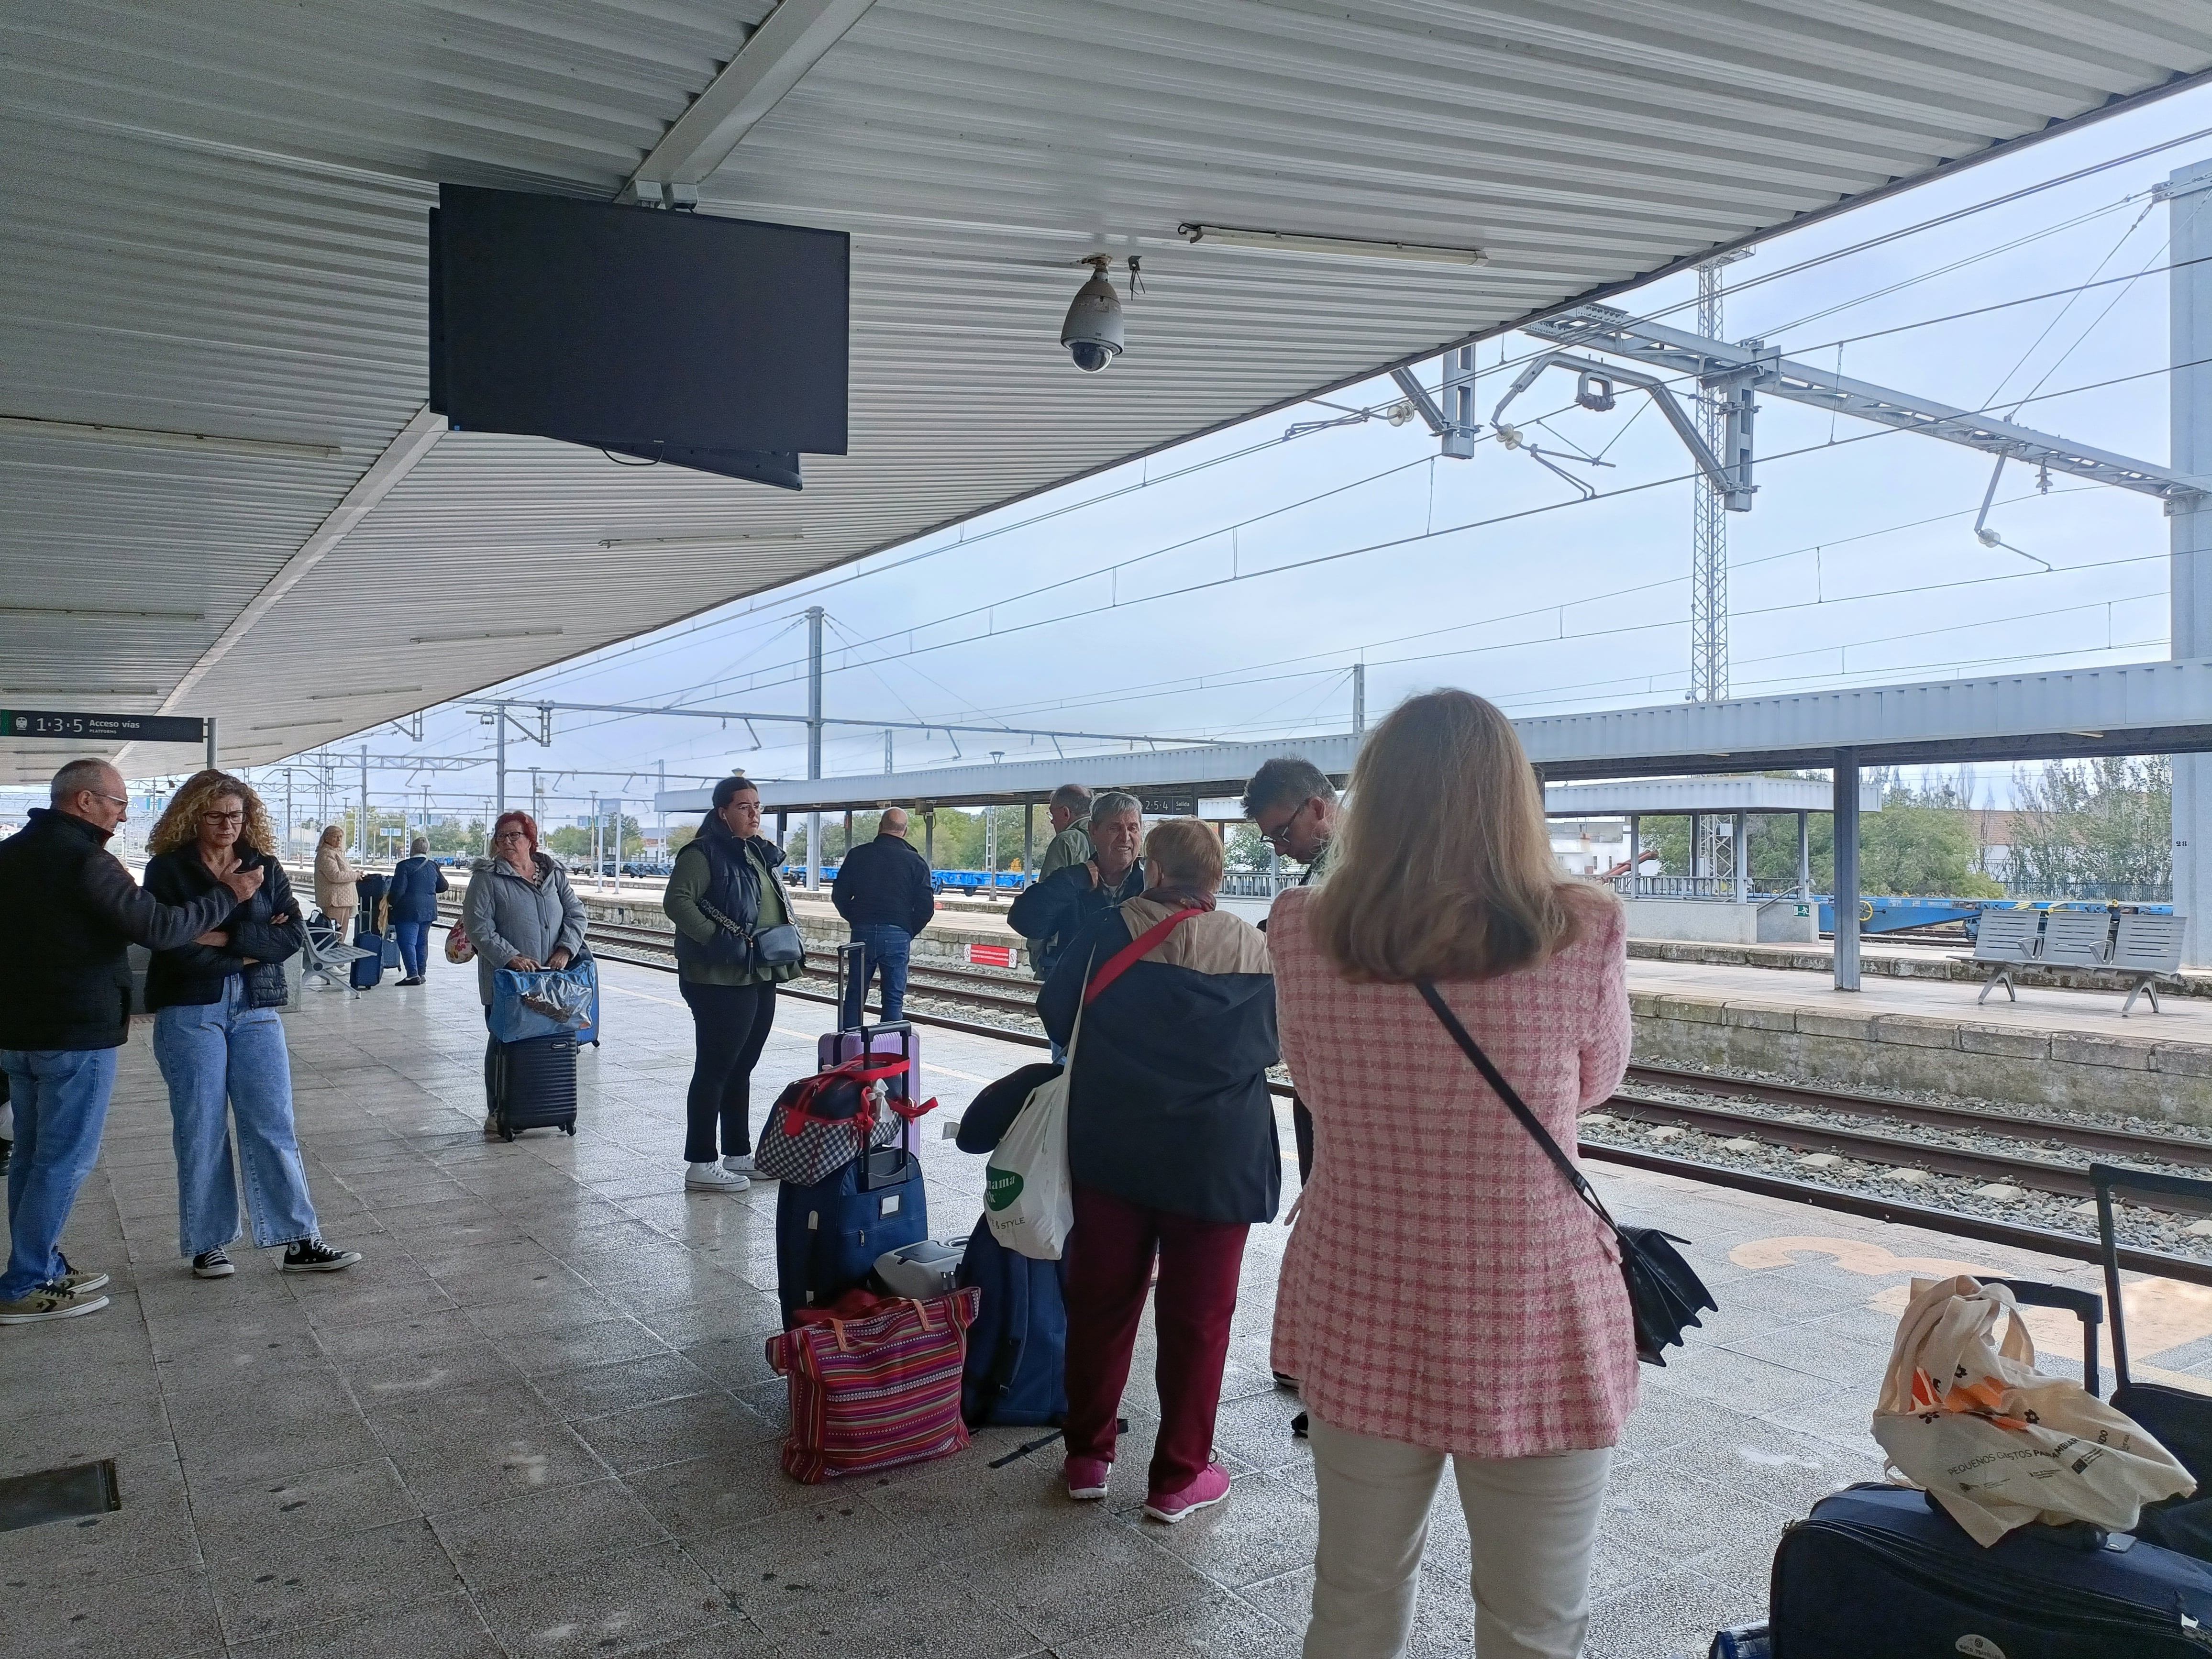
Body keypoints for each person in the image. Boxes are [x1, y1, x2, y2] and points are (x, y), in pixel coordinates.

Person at [1269, 690, 1633, 1659]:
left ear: (1372, 799)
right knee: (1533, 1621)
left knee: (1352, 1597)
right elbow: (1591, 1085)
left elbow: (1310, 1084)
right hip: (1533, 1305)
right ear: (1512, 798)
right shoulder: (1580, 929)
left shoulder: (1302, 931)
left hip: (1360, 1294)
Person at [1039, 818, 1277, 1524]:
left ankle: (1087, 1456)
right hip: (1216, 1158)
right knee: (1198, 1320)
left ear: (1153, 869)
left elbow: (1055, 1010)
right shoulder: (1255, 947)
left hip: (1115, 1147)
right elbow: (1274, 1042)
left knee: (1101, 1305)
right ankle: (1178, 1478)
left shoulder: (1109, 932)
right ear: (1215, 878)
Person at [0, 759, 260, 1323]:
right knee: (63, 1160)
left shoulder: (10, 854)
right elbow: (160, 928)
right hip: (74, 1032)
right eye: (117, 802)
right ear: (85, 801)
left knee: (31, 1154)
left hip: (17, 1032)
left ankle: (39, 1261)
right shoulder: (86, 860)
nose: (122, 813)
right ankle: (23, 1282)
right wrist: (229, 894)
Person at [144, 771, 363, 1279]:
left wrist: (222, 938)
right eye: (216, 815)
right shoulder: (167, 871)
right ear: (192, 815)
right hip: (190, 1011)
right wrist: (252, 942)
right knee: (200, 1128)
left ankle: (299, 1239)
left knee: (273, 1122)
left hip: (258, 1009)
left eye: (236, 815)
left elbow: (292, 938)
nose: (227, 825)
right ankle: (208, 1244)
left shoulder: (264, 865)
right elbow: (172, 946)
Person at [663, 776, 800, 1192]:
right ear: (723, 812)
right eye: (744, 806)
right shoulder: (702, 853)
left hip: (758, 972)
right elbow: (677, 901)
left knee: (743, 1066)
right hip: (719, 977)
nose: (755, 813)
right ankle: (701, 1162)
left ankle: (738, 1153)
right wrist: (716, 939)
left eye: (758, 806)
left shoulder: (754, 852)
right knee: (715, 1068)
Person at [1241, 756, 1340, 1191]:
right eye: (1272, 840)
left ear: (1317, 808)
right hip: (1322, 1071)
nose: (1281, 848)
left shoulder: (1359, 873)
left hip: (1341, 1078)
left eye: (1283, 833)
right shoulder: (1326, 869)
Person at [464, 811, 589, 1135]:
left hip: (552, 979)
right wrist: (511, 957)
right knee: (504, 1040)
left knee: (551, 1039)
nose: (506, 841)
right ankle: (499, 1109)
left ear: (530, 839)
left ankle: (542, 1104)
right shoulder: (487, 878)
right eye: (501, 836)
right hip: (509, 980)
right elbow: (479, 928)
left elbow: (576, 913)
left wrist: (566, 949)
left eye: (514, 835)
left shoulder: (553, 875)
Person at [1008, 791, 1146, 1064]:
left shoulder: (1151, 887)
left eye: (1133, 828)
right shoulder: (1072, 880)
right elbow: (1024, 920)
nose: (1125, 837)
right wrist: (1071, 882)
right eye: (1115, 828)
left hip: (1132, 1018)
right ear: (1094, 831)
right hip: (1075, 1015)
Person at [829, 807, 934, 1024]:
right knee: (893, 1000)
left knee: (855, 996)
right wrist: (906, 930)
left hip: (862, 934)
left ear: (880, 828)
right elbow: (926, 908)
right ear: (904, 831)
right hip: (897, 935)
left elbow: (839, 895)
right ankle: (890, 1051)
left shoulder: (858, 855)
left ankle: (850, 1048)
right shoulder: (915, 862)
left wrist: (856, 919)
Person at [1022, 784, 1093, 978]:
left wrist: (1037, 953)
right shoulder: (1104, 836)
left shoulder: (1065, 842)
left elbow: (1045, 904)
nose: (1052, 821)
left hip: (1065, 948)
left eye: (1052, 814)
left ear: (1065, 813)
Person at [387, 835, 448, 985]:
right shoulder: (432, 865)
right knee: (422, 942)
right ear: (427, 850)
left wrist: (390, 903)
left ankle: (412, 975)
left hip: (408, 911)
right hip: (428, 910)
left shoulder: (404, 866)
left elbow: (399, 890)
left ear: (412, 849)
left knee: (408, 943)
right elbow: (443, 886)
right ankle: (422, 973)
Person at [314, 824, 360, 938]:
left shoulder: (336, 853)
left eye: (340, 837)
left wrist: (355, 874)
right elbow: (335, 876)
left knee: (340, 935)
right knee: (334, 936)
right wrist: (355, 876)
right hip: (334, 902)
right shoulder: (326, 854)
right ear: (327, 838)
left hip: (343, 901)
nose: (339, 840)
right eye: (335, 837)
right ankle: (331, 955)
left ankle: (336, 953)